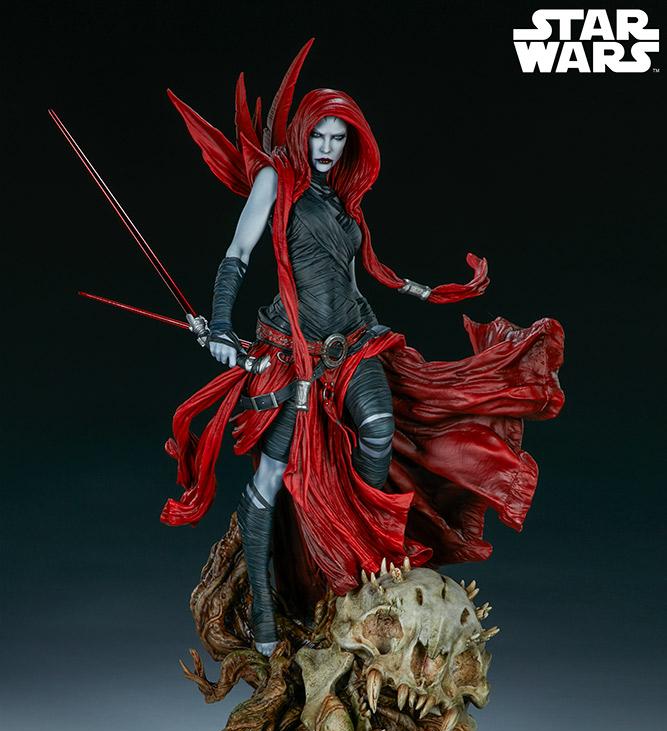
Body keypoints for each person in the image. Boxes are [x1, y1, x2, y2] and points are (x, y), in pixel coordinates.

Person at [161, 40, 564, 656]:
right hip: (294, 351)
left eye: (338, 138)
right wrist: (218, 326)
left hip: (353, 340)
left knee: (378, 427)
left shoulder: (342, 199)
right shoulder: (277, 180)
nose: (326, 148)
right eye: (318, 136)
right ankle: (265, 607)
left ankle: (359, 553)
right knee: (270, 475)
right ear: (303, 134)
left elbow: (354, 273)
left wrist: (423, 293)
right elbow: (237, 255)